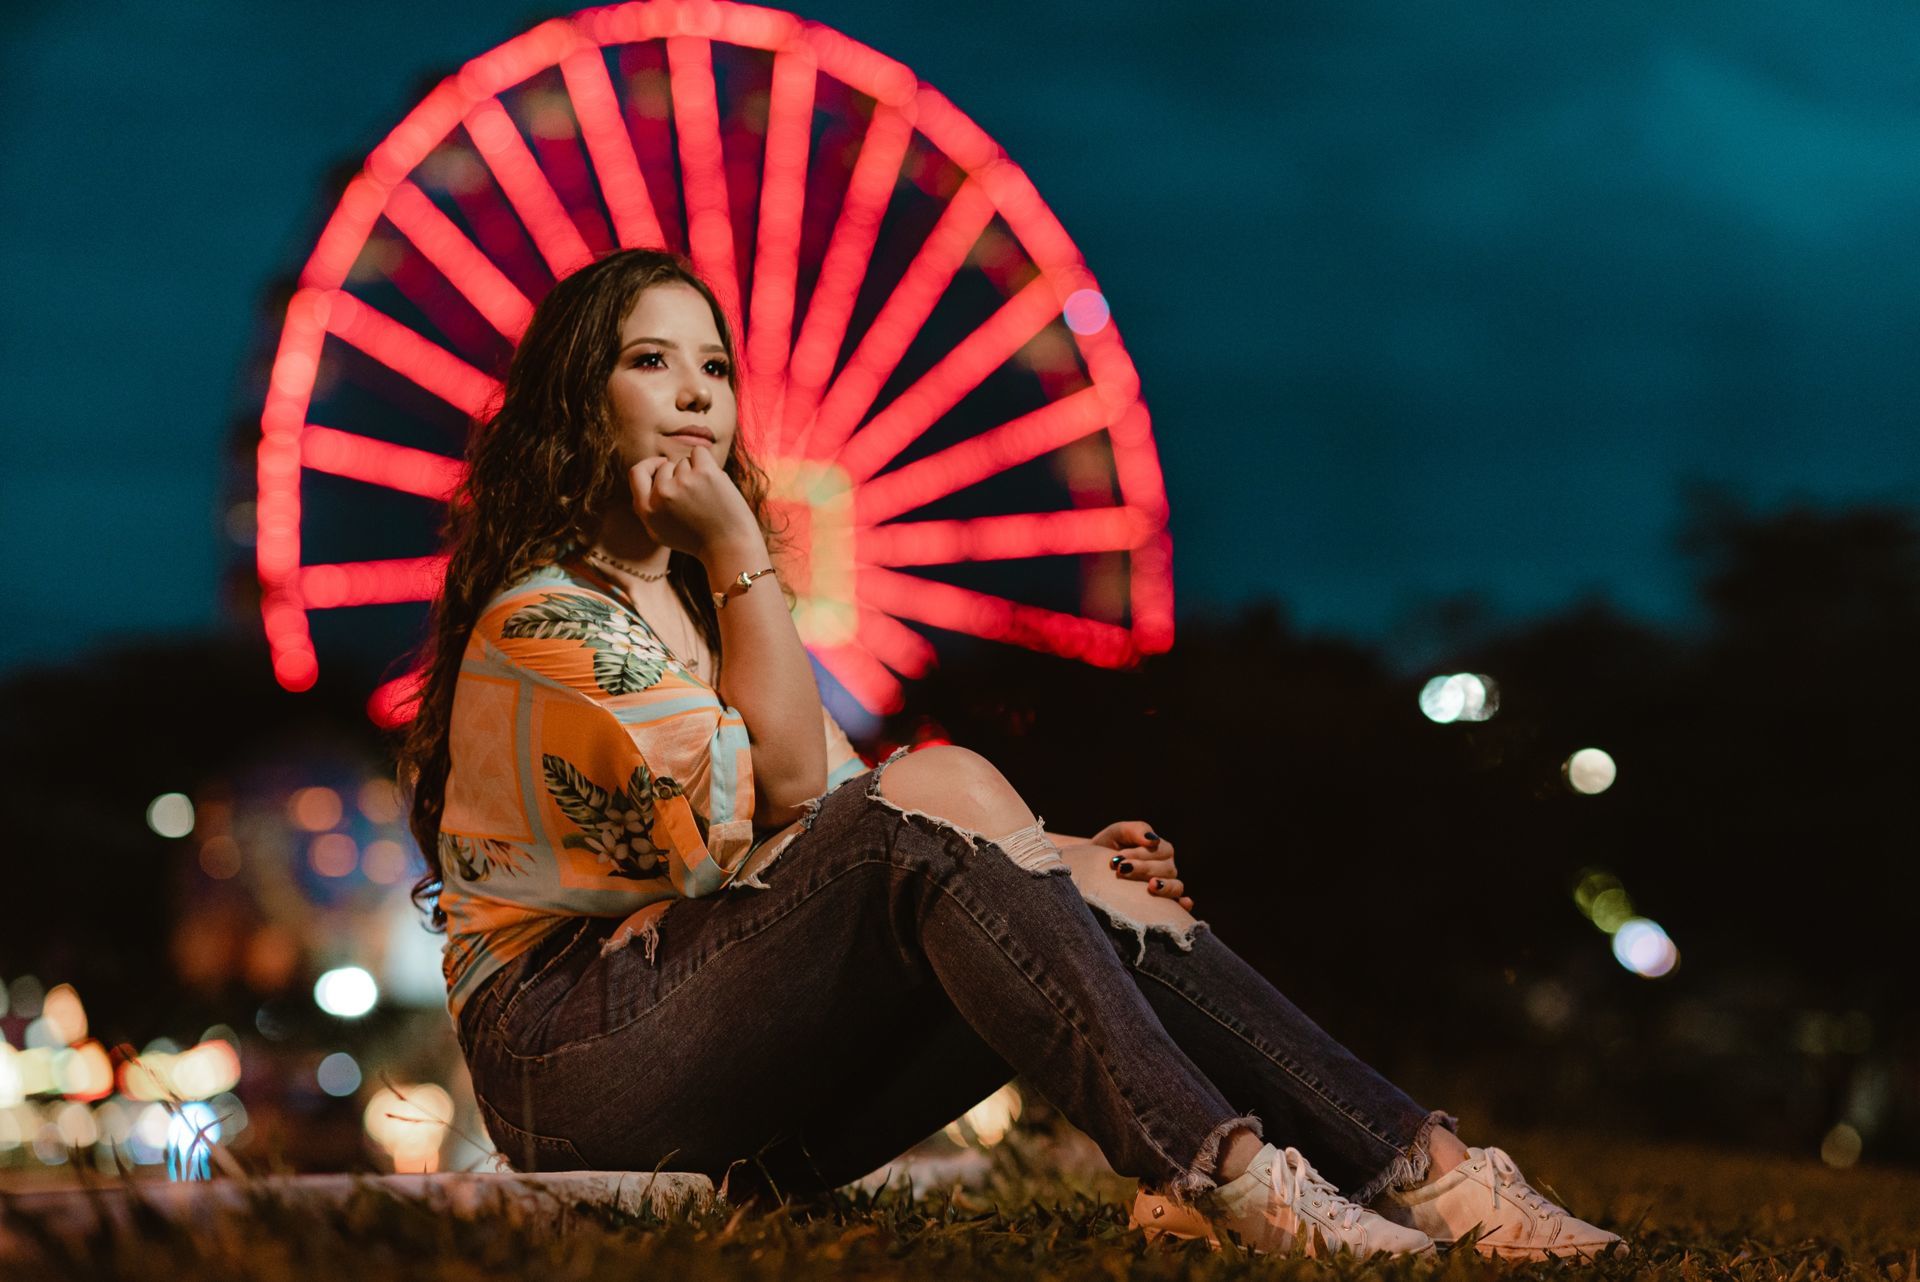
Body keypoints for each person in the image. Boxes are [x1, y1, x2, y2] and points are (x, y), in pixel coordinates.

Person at [399, 247, 1624, 1261]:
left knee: (1047, 876)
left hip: (728, 1075)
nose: (695, 392)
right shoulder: (547, 619)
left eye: (714, 364)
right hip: (572, 1074)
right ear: (576, 396)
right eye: (648, 360)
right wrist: (740, 551)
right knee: (951, 814)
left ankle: (1434, 1172)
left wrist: (1073, 865)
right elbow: (808, 808)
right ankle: (1226, 1175)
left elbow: (834, 819)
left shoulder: (714, 612)